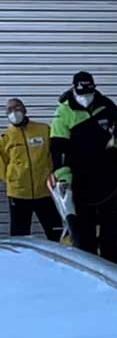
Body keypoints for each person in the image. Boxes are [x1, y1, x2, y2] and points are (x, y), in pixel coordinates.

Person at [50, 71, 117, 261]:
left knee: (110, 228)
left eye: (89, 94)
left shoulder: (108, 107)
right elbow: (58, 149)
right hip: (80, 179)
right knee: (84, 230)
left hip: (108, 177)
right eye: (82, 94)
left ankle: (112, 266)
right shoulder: (63, 112)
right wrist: (64, 178)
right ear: (74, 90)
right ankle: (89, 267)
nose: (86, 98)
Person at [1, 98, 61, 240]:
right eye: (9, 110)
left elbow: (54, 153)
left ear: (24, 109)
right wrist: (11, 179)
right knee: (19, 236)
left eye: (17, 107)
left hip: (44, 191)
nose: (14, 112)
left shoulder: (43, 130)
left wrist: (54, 174)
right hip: (18, 193)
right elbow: (2, 163)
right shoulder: (6, 137)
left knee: (56, 231)